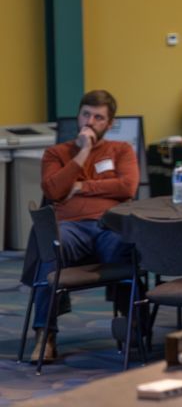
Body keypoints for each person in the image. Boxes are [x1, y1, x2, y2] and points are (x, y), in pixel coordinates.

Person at [33, 90, 138, 360]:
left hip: (109, 226)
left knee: (130, 247)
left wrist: (80, 186)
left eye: (99, 117)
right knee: (51, 248)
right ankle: (45, 336)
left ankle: (132, 326)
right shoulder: (55, 153)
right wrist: (83, 153)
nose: (90, 122)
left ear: (110, 123)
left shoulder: (121, 150)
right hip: (71, 228)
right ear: (78, 116)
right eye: (86, 114)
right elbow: (54, 190)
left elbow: (127, 187)